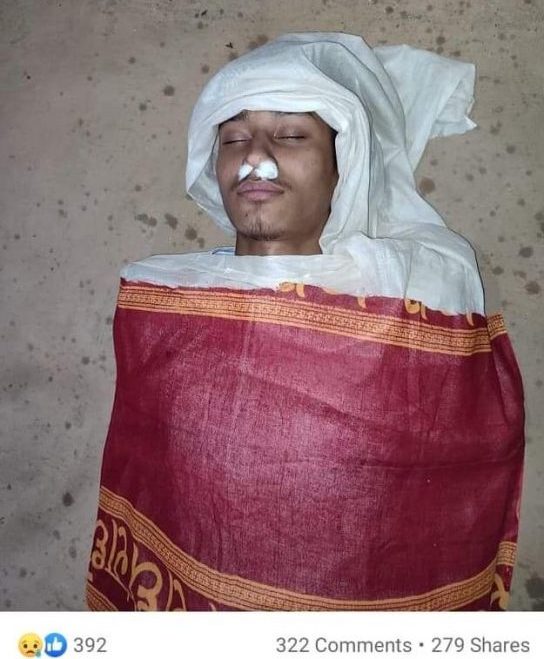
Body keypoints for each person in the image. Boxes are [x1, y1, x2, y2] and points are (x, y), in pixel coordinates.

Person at [87, 32, 524, 611]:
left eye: (291, 135)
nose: (255, 158)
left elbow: (465, 453)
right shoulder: (161, 298)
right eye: (234, 138)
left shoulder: (418, 286)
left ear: (343, 169)